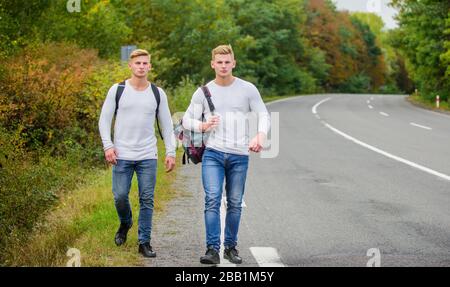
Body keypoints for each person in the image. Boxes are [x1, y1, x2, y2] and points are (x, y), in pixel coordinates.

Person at [182, 44, 270, 264]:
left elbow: (263, 114)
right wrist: (202, 126)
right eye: (219, 62)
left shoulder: (247, 89)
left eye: (227, 62)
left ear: (233, 63)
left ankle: (231, 247)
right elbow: (186, 120)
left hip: (239, 155)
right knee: (212, 199)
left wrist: (260, 135)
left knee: (234, 202)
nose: (223, 66)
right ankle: (213, 249)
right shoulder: (203, 92)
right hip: (213, 153)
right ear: (213, 64)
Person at [98, 49, 176, 258]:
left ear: (150, 67)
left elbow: (167, 126)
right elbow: (104, 120)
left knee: (147, 199)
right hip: (121, 155)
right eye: (138, 63)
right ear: (130, 66)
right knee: (120, 196)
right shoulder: (118, 90)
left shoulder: (158, 94)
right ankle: (125, 222)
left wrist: (171, 152)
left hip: (147, 156)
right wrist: (108, 146)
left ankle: (144, 242)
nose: (141, 66)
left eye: (145, 63)